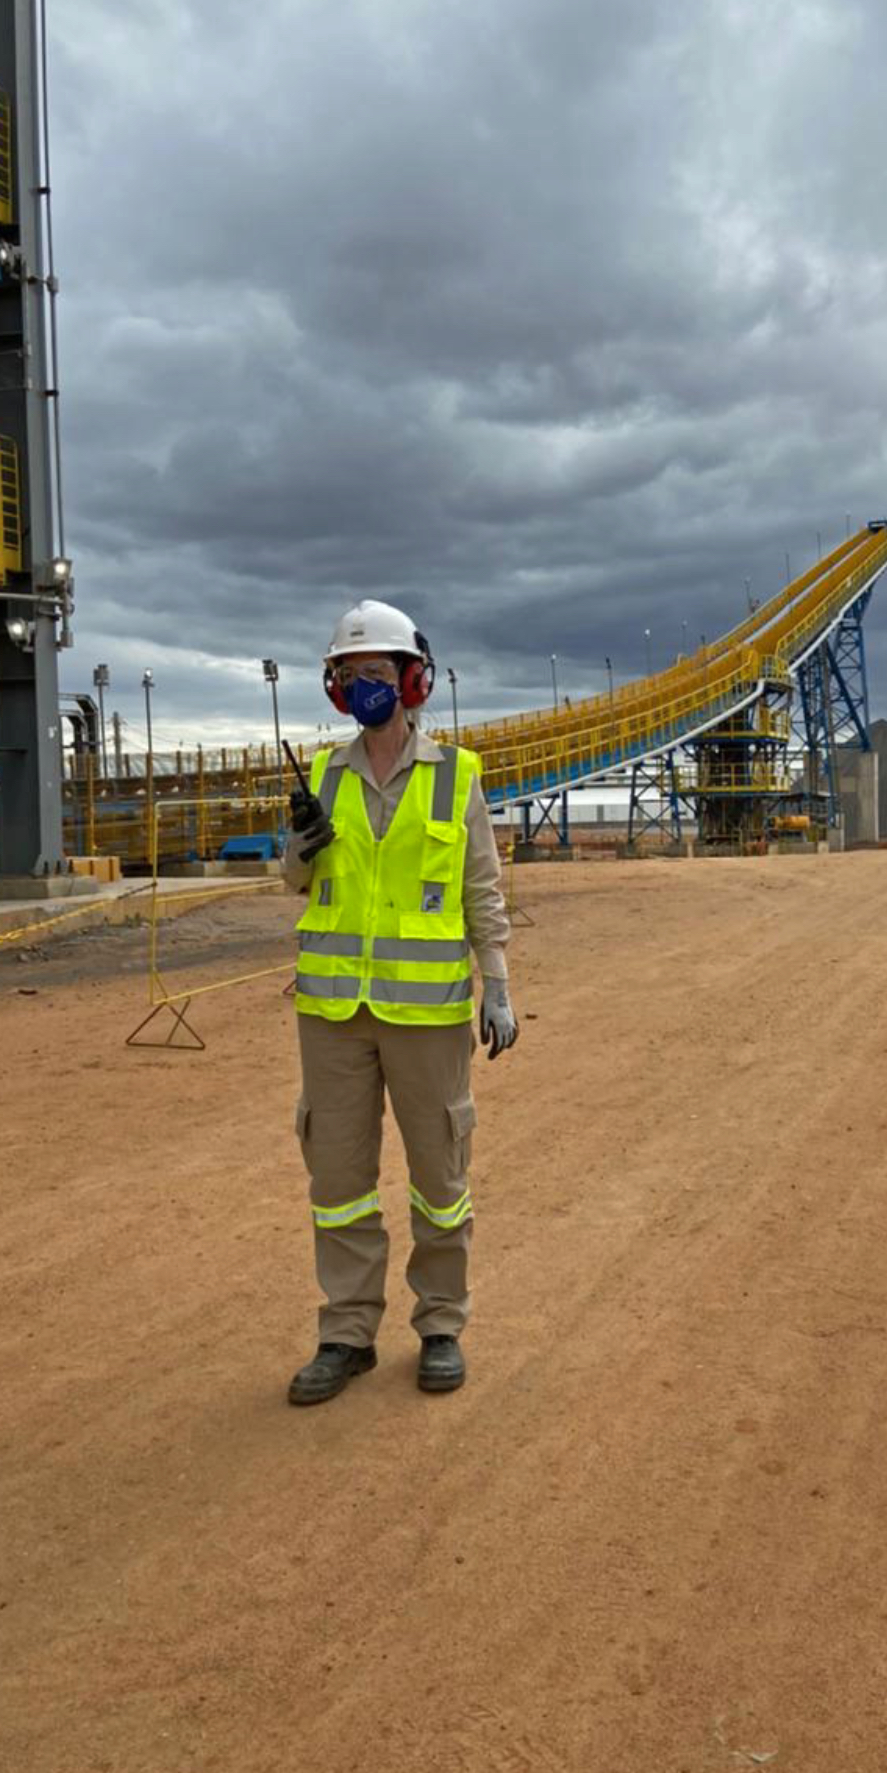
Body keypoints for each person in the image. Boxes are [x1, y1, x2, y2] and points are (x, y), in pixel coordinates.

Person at [282, 599, 517, 1405]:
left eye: (377, 674)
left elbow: (481, 889)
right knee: (338, 1180)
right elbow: (299, 886)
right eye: (350, 676)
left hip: (428, 1017)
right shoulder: (321, 775)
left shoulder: (458, 776)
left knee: (437, 1175)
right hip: (333, 1016)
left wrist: (500, 986)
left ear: (412, 681)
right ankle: (345, 1335)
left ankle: (441, 1324)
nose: (364, 687)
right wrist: (295, 853)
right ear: (335, 689)